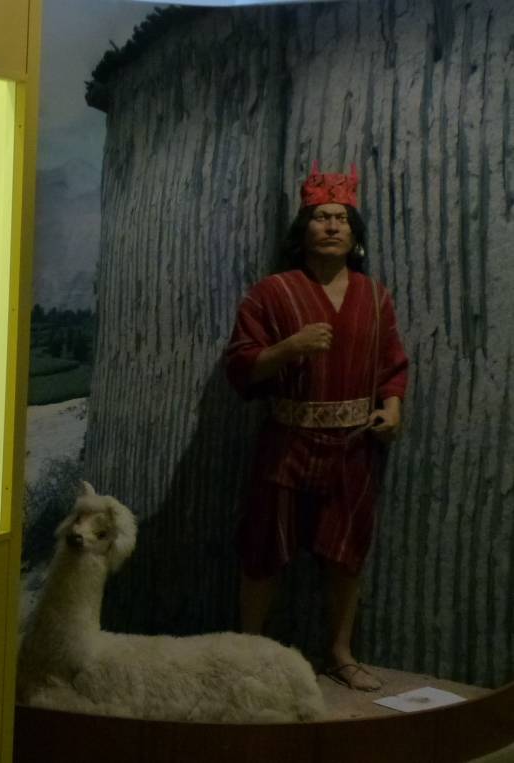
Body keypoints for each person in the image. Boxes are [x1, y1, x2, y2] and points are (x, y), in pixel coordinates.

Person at [223, 162, 409, 692]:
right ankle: (248, 651)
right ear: (302, 230)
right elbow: (240, 364)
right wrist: (289, 348)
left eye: (341, 218)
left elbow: (393, 363)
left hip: (354, 447)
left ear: (354, 233)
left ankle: (340, 654)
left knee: (347, 552)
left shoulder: (375, 297)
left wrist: (393, 408)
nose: (331, 226)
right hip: (286, 444)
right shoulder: (271, 293)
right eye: (320, 217)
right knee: (263, 549)